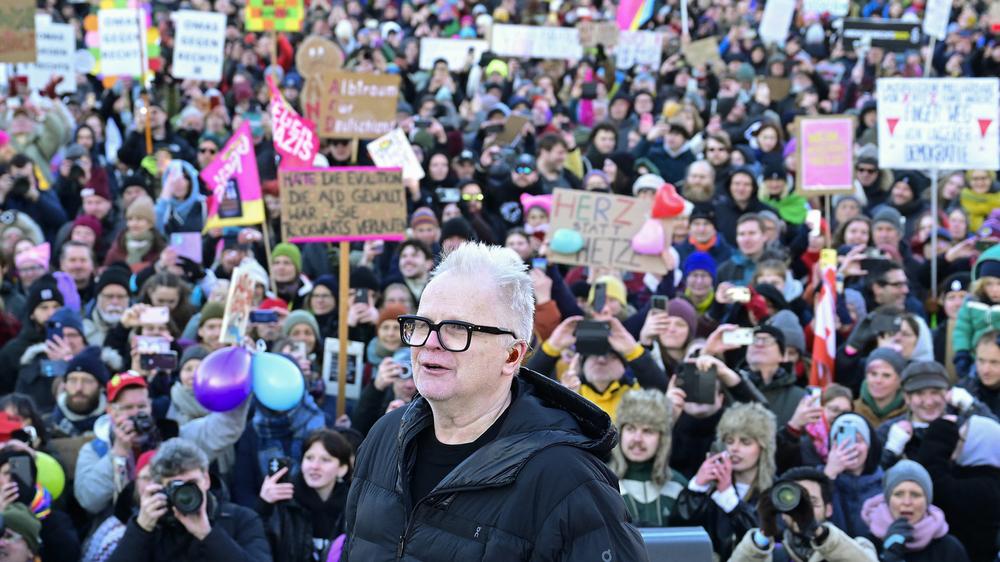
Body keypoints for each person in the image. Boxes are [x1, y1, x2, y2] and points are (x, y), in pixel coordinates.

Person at [343, 243, 647, 560]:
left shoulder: (568, 479)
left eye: (457, 329)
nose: (430, 343)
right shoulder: (385, 436)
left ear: (512, 355)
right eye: (422, 324)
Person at [106, 438, 271, 562]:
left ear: (206, 479)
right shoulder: (152, 526)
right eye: (175, 486)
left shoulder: (241, 519)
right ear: (160, 487)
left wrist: (207, 533)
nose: (185, 493)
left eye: (191, 483)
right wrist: (141, 528)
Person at [673, 402, 777, 560]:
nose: (734, 448)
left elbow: (762, 540)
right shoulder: (710, 486)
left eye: (745, 442)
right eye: (729, 441)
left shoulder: (775, 490)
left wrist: (728, 497)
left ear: (763, 448)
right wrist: (696, 488)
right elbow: (678, 532)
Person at [731, 467, 878, 562]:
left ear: (829, 509)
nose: (802, 510)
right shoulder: (770, 555)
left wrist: (816, 531)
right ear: (782, 511)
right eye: (794, 504)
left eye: (811, 503)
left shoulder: (858, 547)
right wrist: (763, 533)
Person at [913, 415, 1000, 562]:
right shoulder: (972, 475)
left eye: (961, 439)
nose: (955, 444)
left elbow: (936, 485)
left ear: (977, 445)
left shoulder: (987, 488)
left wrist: (939, 432)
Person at [257, 429, 353, 562]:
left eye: (325, 460)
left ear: (342, 469)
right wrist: (265, 506)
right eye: (309, 458)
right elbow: (260, 547)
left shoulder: (354, 506)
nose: (314, 466)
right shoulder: (285, 499)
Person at [860, 460, 970, 562]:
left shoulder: (949, 548)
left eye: (915, 494)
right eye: (898, 494)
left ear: (927, 501)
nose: (907, 502)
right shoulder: (867, 545)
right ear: (888, 500)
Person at [608, 389, 688, 527]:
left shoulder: (678, 485)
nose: (637, 439)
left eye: (648, 431)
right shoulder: (602, 483)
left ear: (662, 439)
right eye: (631, 428)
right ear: (620, 433)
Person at [821, 413, 883, 539]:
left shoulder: (885, 484)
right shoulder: (815, 478)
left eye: (858, 440)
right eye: (841, 440)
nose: (851, 447)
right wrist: (828, 476)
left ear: (869, 446)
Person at [952, 245, 1000, 378]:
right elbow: (962, 329)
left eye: (999, 284)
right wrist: (962, 352)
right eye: (989, 284)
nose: (994, 290)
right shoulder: (972, 303)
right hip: (977, 358)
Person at [853, 348, 909, 427]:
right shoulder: (852, 410)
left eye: (886, 375)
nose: (878, 381)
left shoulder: (911, 414)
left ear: (900, 381)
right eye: (873, 374)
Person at [963, 330, 1000, 417]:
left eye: (994, 362)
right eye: (981, 361)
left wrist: (971, 406)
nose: (985, 370)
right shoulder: (964, 390)